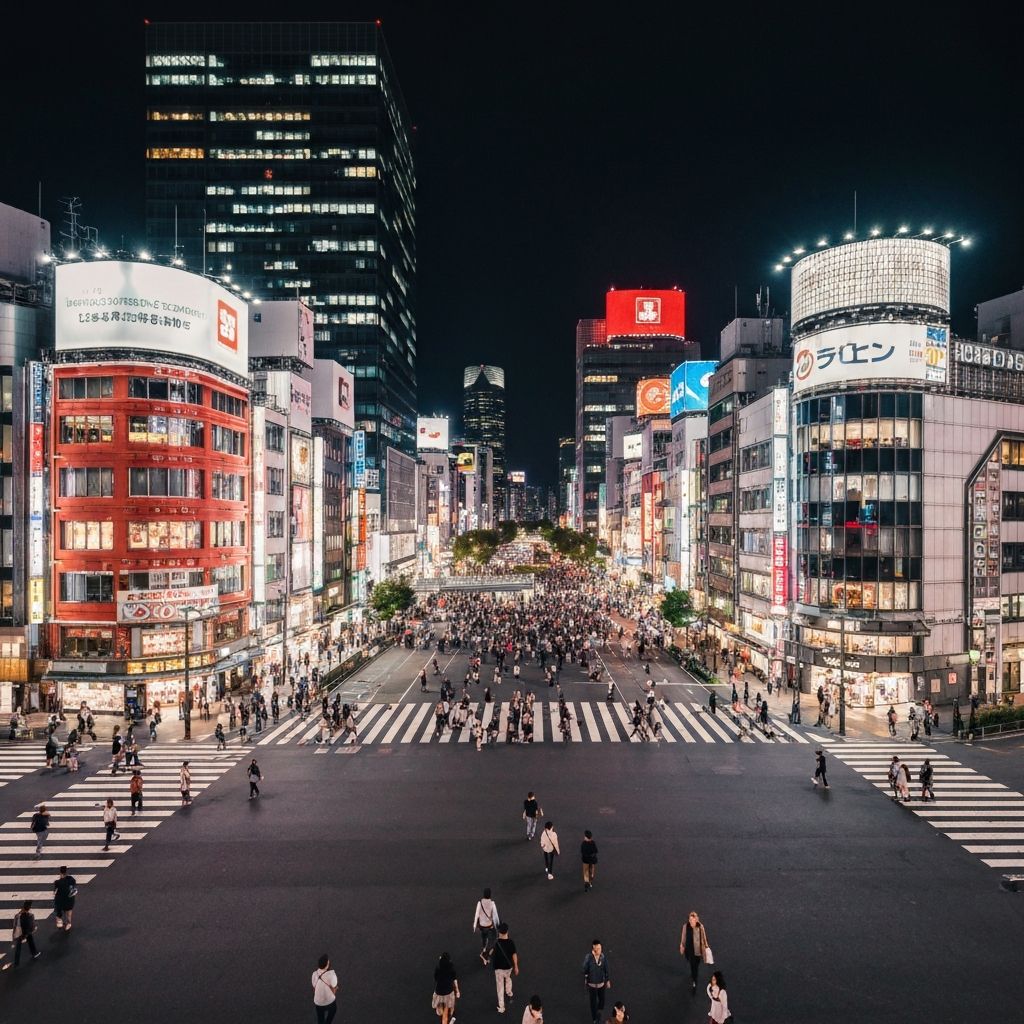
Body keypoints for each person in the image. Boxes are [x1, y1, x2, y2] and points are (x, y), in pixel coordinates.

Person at [487, 922, 519, 1014]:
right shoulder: (511, 942)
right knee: (508, 978)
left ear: (499, 932)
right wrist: (516, 966)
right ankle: (509, 992)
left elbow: (490, 953)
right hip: (508, 967)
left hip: (498, 969)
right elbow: (514, 955)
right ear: (507, 931)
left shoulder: (496, 943)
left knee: (500, 987)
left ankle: (501, 1007)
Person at [679, 910, 710, 994]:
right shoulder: (685, 926)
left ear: (696, 920)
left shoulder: (700, 927)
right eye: (690, 919)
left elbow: (704, 938)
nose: (691, 921)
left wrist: (706, 947)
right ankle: (694, 978)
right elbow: (683, 937)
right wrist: (682, 945)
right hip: (689, 951)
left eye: (692, 920)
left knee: (695, 966)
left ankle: (694, 979)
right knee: (692, 965)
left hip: (697, 952)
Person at [582, 939, 611, 1024]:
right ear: (593, 949)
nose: (599, 950)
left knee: (602, 1001)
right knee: (593, 1003)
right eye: (597, 948)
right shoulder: (589, 957)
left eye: (600, 948)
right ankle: (595, 1019)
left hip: (601, 984)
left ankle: (598, 1014)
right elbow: (584, 969)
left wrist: (607, 980)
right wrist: (586, 975)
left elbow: (606, 969)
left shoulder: (603, 957)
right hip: (592, 985)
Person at [473, 887, 500, 963]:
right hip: (489, 926)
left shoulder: (479, 903)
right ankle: (485, 954)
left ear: (484, 894)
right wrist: (497, 924)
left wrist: (474, 926)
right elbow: (495, 915)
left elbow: (476, 914)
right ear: (490, 895)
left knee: (484, 937)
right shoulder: (492, 903)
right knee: (494, 939)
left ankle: (484, 948)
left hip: (482, 926)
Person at [432, 952, 460, 1024]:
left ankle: (441, 1010)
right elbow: (454, 979)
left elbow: (436, 978)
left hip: (439, 991)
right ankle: (451, 1017)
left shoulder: (438, 968)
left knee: (439, 1012)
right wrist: (457, 991)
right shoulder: (451, 969)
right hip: (448, 992)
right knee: (447, 1011)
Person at [312, 953, 339, 1024]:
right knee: (333, 1010)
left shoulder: (314, 974)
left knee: (320, 1018)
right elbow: (334, 985)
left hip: (318, 1002)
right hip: (329, 1001)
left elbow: (314, 985)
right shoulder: (331, 975)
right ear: (327, 965)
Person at [11, 900, 39, 965]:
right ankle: (34, 953)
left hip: (19, 933)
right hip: (27, 932)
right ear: (29, 908)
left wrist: (14, 934)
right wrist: (34, 929)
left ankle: (16, 962)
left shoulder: (18, 915)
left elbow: (15, 925)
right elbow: (32, 926)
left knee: (18, 947)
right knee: (30, 941)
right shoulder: (31, 915)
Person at [53, 866, 77, 931]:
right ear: (66, 872)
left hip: (60, 901)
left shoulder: (57, 882)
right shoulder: (72, 879)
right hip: (69, 900)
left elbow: (55, 892)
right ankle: (68, 924)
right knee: (68, 913)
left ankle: (59, 922)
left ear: (60, 873)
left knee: (58, 911)